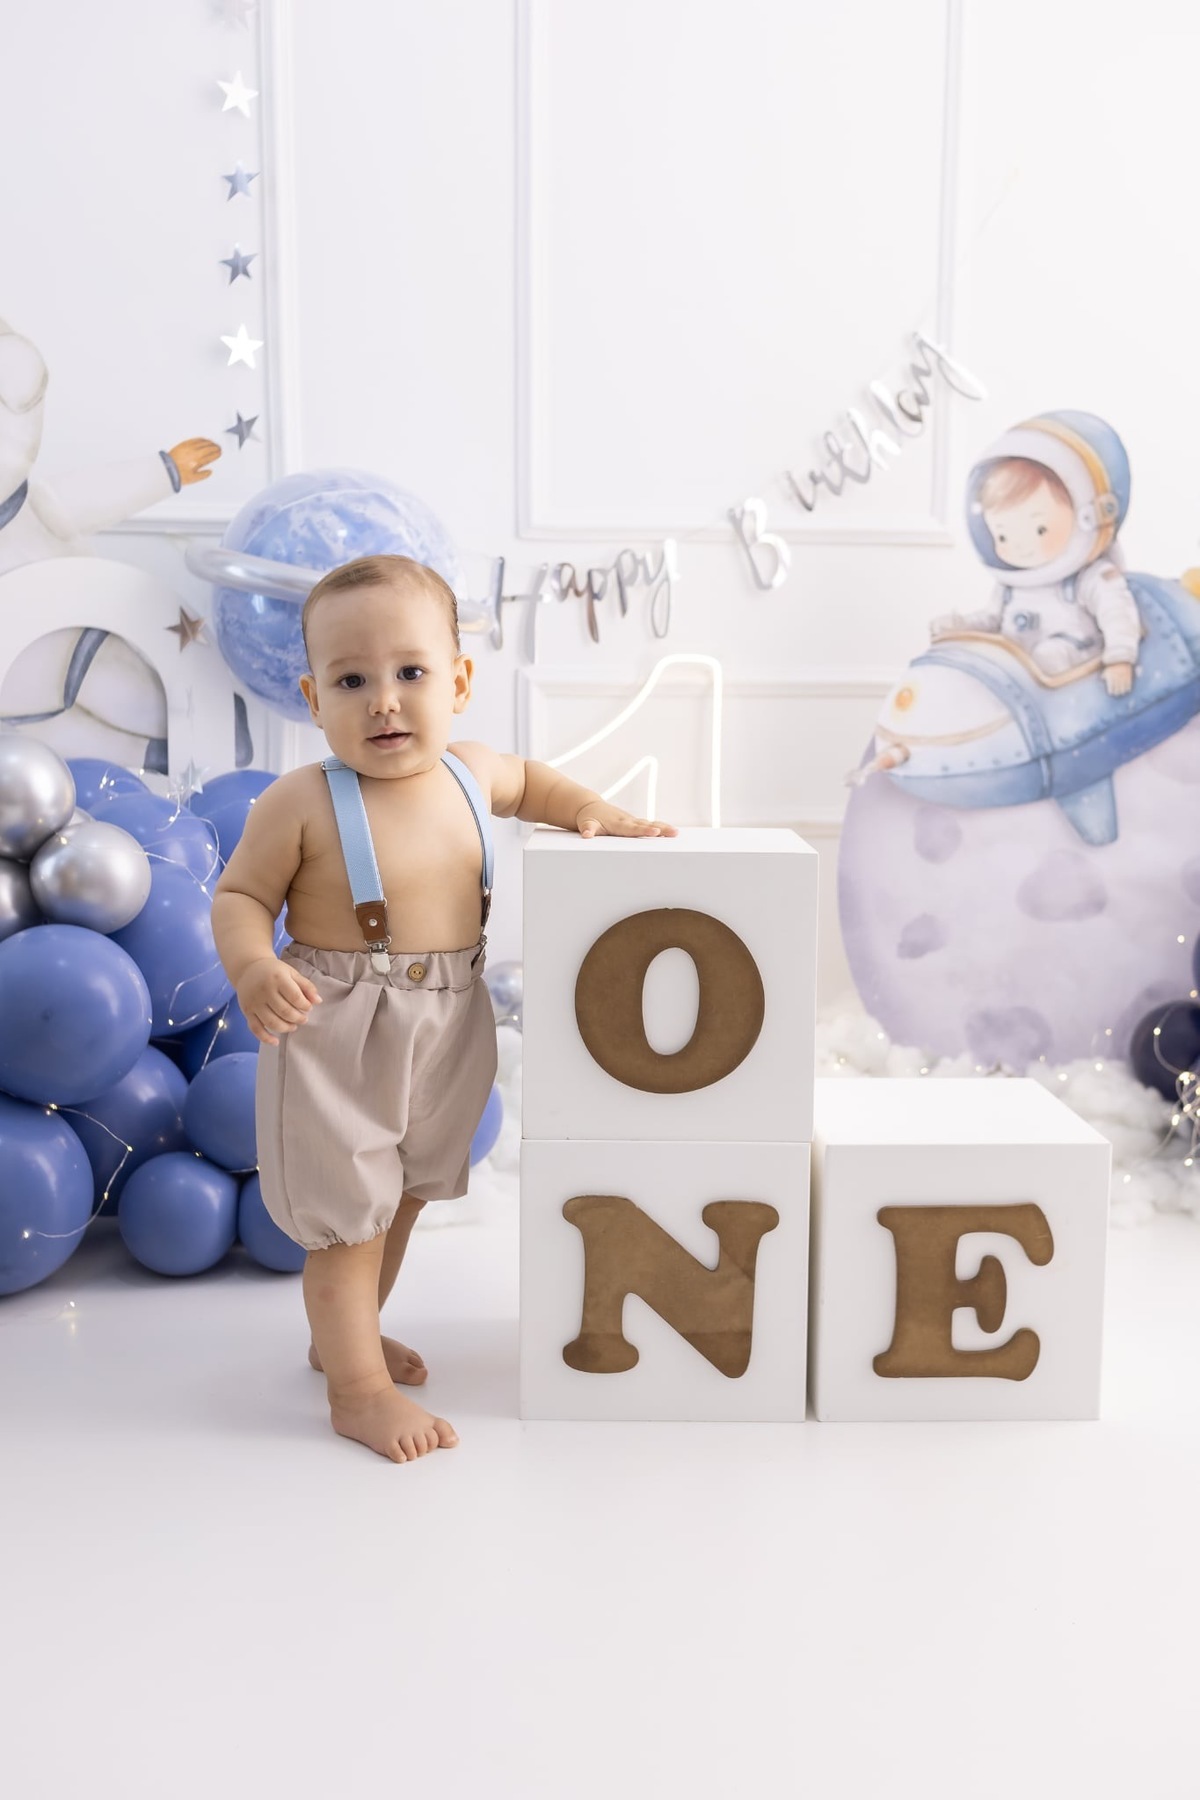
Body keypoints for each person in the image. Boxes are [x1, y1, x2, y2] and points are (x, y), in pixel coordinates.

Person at [212, 553, 676, 1463]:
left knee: (409, 1194)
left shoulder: (472, 774)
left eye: (410, 673)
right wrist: (254, 966)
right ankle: (356, 1390)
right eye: (352, 680)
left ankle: (343, 1335)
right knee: (350, 1216)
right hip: (340, 1030)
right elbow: (237, 898)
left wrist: (594, 813)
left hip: (449, 1022)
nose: (383, 700)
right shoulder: (302, 800)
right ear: (313, 698)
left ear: (458, 681)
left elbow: (537, 783)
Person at [931, 412, 1141, 697]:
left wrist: (1119, 657)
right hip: (1015, 675)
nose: (1019, 546)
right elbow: (992, 619)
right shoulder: (1011, 586)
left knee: (1048, 656)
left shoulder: (1091, 578)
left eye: (1040, 529)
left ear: (1091, 516)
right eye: (1002, 535)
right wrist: (961, 628)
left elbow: (1117, 614)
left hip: (1070, 673)